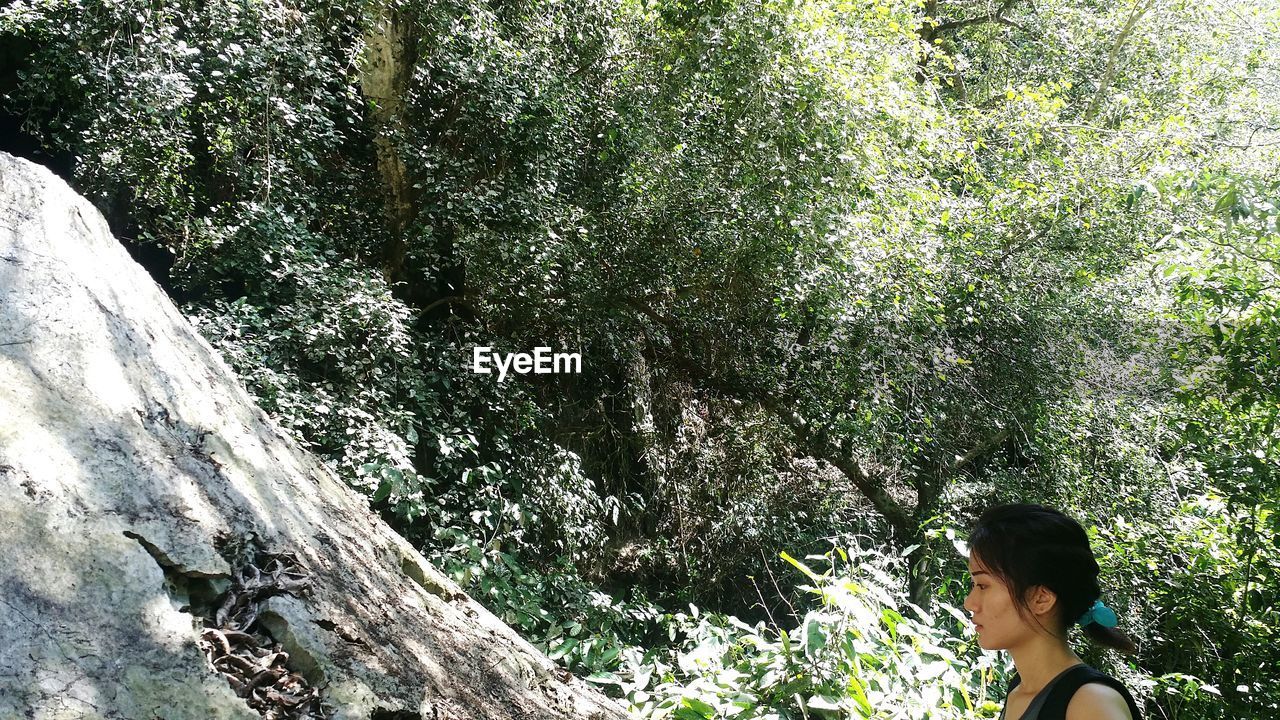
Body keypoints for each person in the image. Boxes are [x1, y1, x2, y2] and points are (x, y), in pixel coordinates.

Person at [964, 504, 1144, 720]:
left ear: (1041, 598)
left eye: (983, 585)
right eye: (973, 585)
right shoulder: (1019, 690)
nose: (970, 603)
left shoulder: (1090, 704)